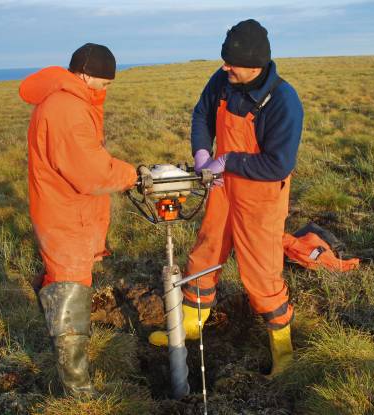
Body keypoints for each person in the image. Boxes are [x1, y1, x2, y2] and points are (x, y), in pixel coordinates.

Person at [149, 19, 304, 378]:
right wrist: (203, 153)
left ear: (255, 63)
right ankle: (190, 325)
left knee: (262, 272)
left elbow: (279, 163)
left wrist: (229, 160)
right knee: (206, 250)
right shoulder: (223, 82)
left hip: (261, 195)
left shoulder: (283, 101)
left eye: (231, 62)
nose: (224, 67)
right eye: (224, 59)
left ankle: (283, 349)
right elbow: (202, 114)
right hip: (220, 187)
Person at [19, 43, 138, 397]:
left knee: (67, 279)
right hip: (65, 215)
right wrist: (132, 174)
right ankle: (78, 389)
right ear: (86, 75)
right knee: (69, 284)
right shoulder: (66, 108)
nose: (106, 89)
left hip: (67, 210)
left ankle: (71, 374)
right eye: (104, 82)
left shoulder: (68, 100)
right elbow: (90, 172)